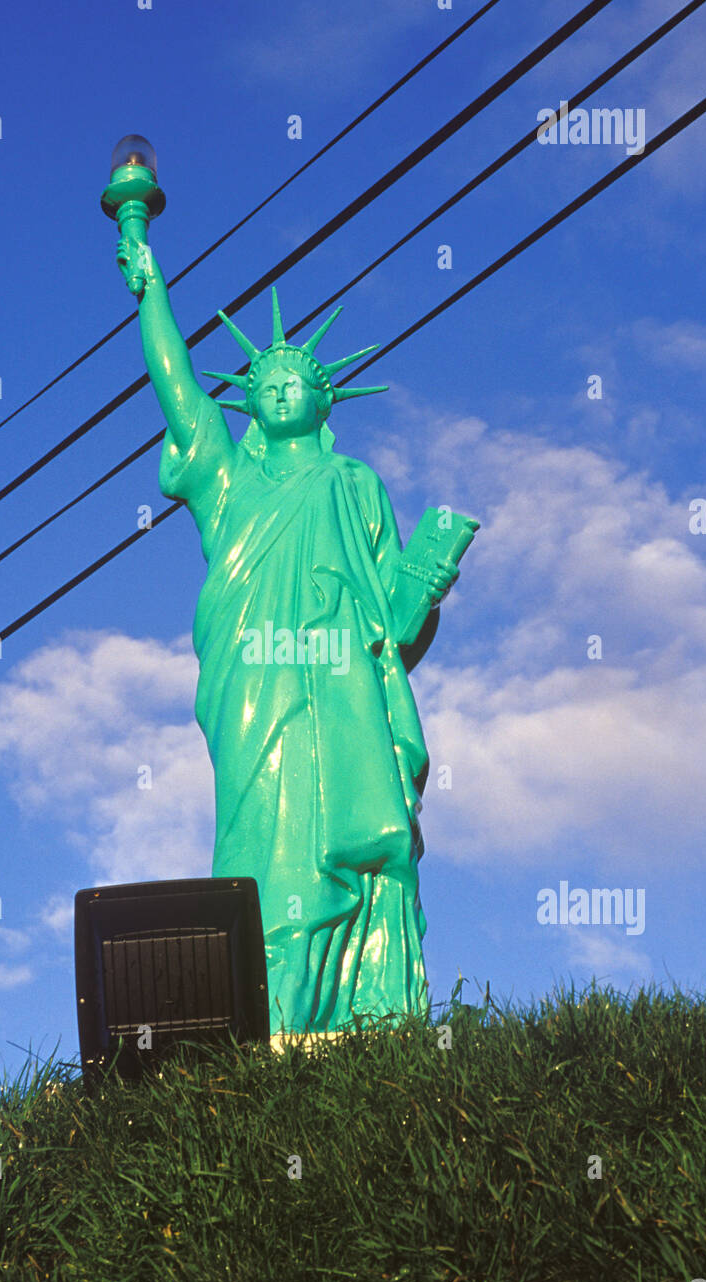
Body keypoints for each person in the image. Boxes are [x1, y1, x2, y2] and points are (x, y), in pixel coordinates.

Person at [117, 234, 458, 1040]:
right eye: (264, 383)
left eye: (295, 380)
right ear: (248, 401)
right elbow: (180, 395)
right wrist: (151, 291)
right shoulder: (225, 482)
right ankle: (265, 1019)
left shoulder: (353, 484)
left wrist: (426, 583)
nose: (278, 391)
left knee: (359, 833)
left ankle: (366, 1016)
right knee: (263, 843)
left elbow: (392, 625)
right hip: (254, 685)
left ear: (323, 400)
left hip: (342, 684)